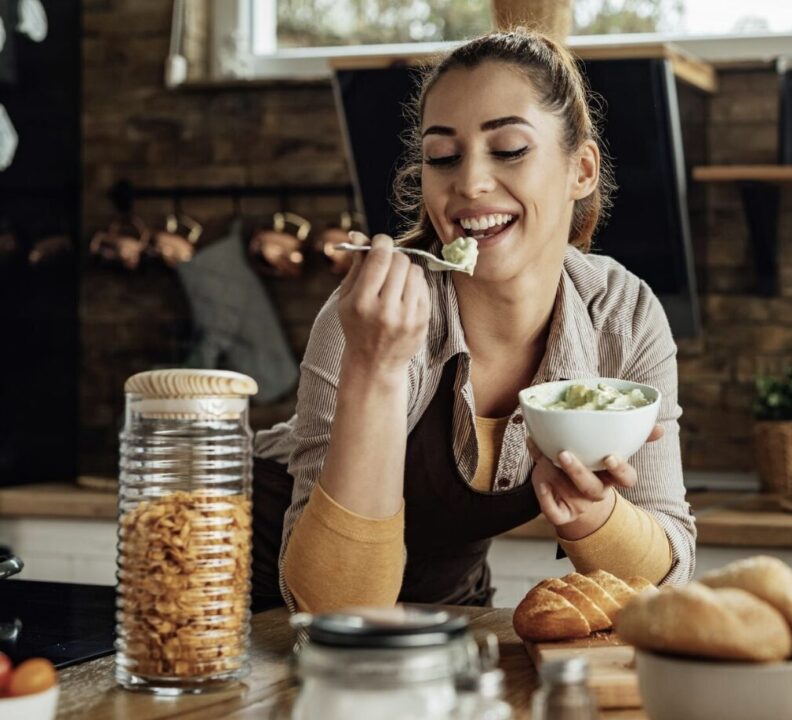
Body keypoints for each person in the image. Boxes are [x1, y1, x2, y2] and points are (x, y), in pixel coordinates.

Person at [251, 29, 695, 613]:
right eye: (443, 157)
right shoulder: (368, 320)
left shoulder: (622, 315)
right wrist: (374, 370)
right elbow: (332, 609)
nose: (469, 182)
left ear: (581, 170)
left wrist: (594, 514)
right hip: (253, 595)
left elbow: (669, 577)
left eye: (509, 148)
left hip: (447, 608)